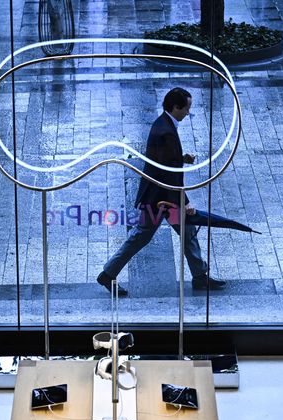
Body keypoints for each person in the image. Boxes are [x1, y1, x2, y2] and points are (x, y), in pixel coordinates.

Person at [96, 87, 226, 297]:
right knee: (142, 236)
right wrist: (185, 202)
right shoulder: (166, 131)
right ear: (175, 107)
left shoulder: (163, 124)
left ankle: (200, 275)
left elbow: (163, 161)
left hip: (161, 197)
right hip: (160, 199)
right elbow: (168, 175)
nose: (188, 112)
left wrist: (181, 158)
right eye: (186, 108)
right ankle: (108, 274)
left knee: (186, 232)